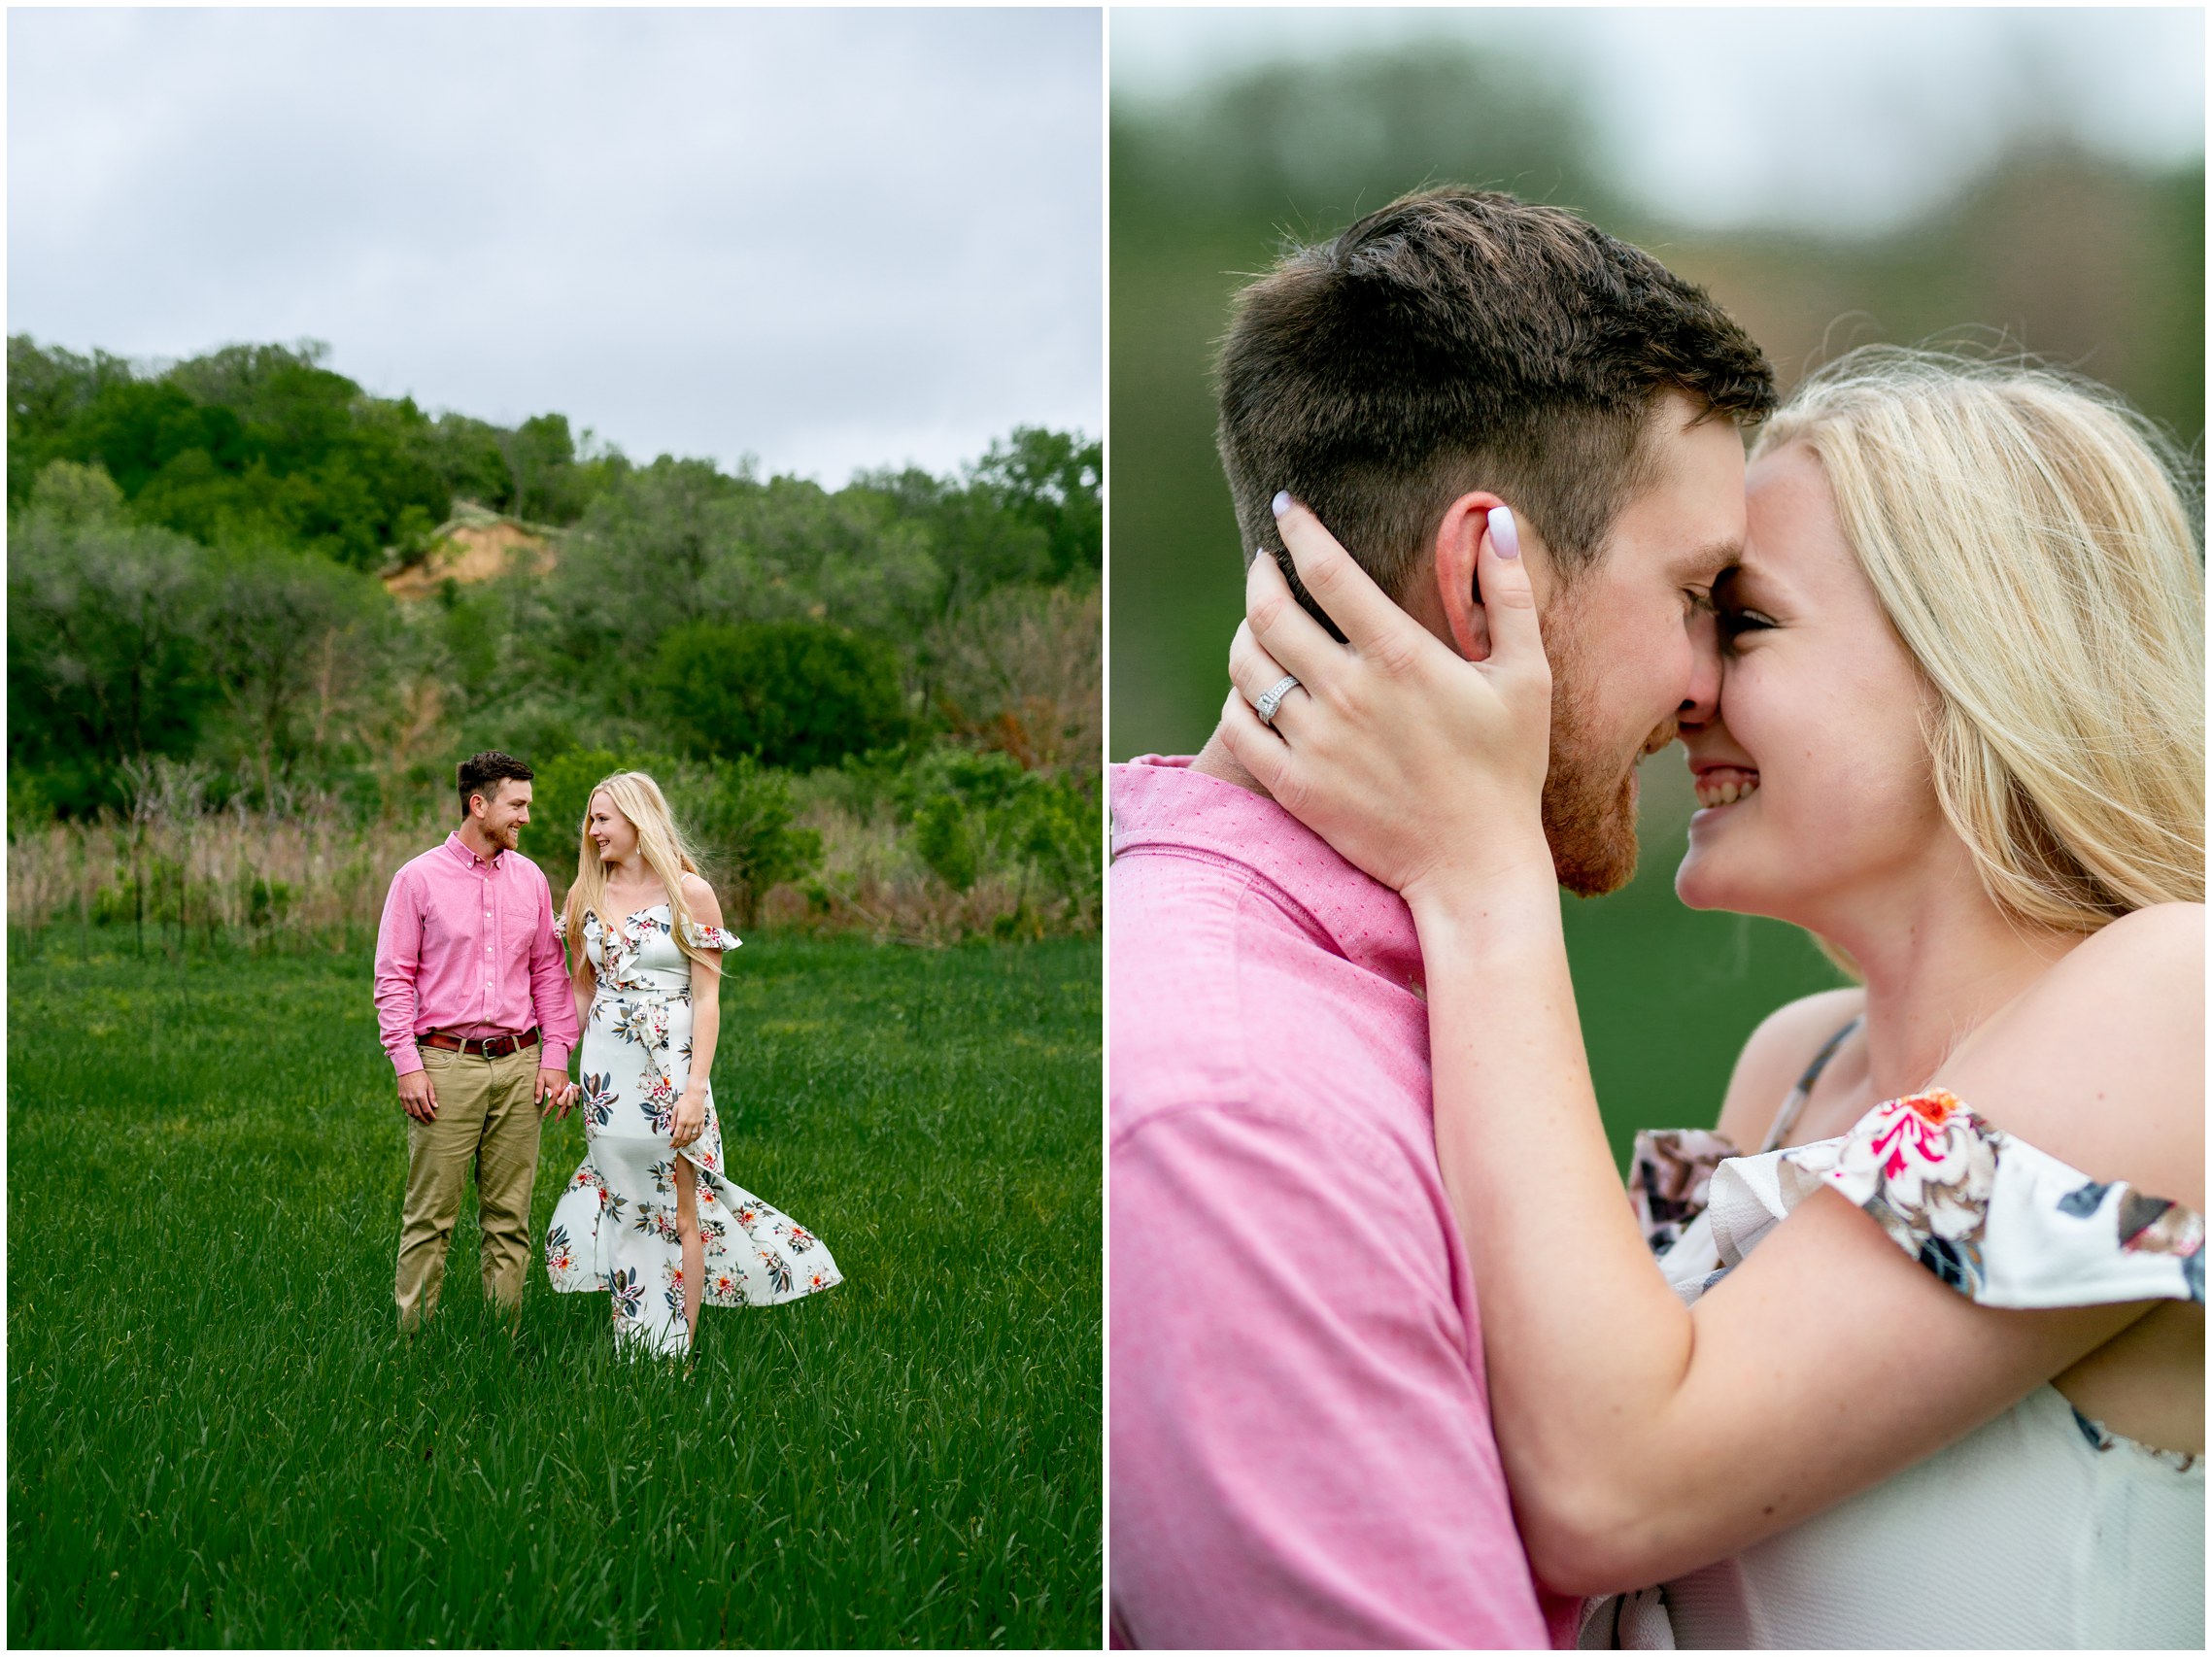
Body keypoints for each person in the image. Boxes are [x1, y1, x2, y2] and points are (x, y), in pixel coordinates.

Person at [1222, 348, 2204, 1648]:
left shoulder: (2174, 994)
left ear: (1970, 652)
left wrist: (1480, 869)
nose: (1688, 687)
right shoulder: (1797, 1067)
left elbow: (1614, 1489)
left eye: (1738, 619)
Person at [1108, 186, 1776, 1648]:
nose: (1710, 683)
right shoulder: (1238, 1115)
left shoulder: (1400, 986)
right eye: (1693, 592)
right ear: (1491, 580)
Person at [543, 770, 840, 1358]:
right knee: (624, 1204)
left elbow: (707, 997)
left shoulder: (690, 893)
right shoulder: (584, 895)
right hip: (608, 1075)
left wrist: (695, 1088)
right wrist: (557, 1064)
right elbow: (580, 991)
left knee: (683, 1208)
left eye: (603, 818)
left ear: (636, 818)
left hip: (673, 1071)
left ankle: (678, 1355)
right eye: (591, 819)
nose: (592, 829)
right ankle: (636, 1348)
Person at [376, 750, 581, 1334]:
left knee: (509, 1221)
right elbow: (394, 978)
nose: (526, 818)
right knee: (430, 1220)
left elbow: (549, 973)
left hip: (520, 1066)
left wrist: (555, 1059)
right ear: (479, 804)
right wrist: (407, 1064)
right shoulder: (417, 879)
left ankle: (500, 1346)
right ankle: (412, 1345)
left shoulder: (532, 879)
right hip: (445, 1067)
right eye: (517, 806)